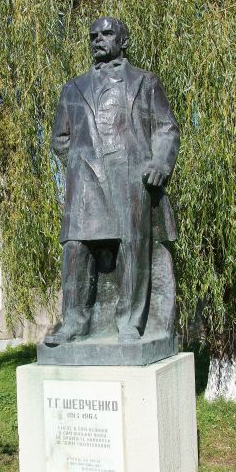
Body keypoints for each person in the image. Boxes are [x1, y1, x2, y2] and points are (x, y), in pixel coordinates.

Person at [47, 17, 179, 344]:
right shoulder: (73, 88)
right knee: (76, 246)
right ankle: (74, 322)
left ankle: (131, 323)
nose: (97, 39)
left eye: (106, 33)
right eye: (93, 35)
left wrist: (160, 161)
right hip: (88, 177)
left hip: (132, 175)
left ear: (123, 41)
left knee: (133, 246)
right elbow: (60, 138)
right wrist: (79, 163)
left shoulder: (146, 83)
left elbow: (166, 127)